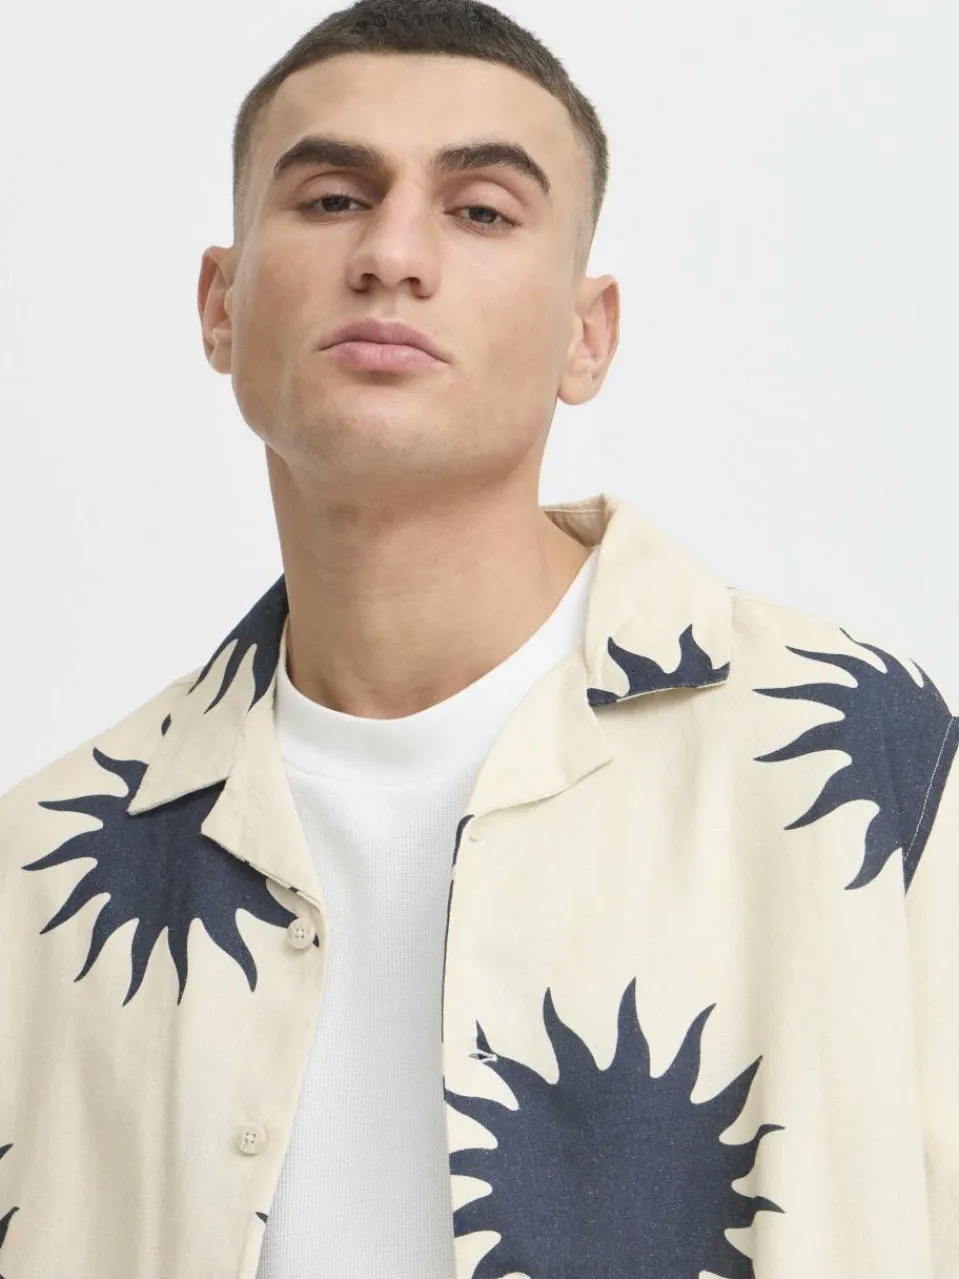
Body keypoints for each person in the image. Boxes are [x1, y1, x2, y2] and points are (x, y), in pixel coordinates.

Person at [1, 1, 956, 1276]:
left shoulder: (867, 765)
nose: (393, 255)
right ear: (220, 306)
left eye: (481, 211)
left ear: (585, 333)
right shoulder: (42, 878)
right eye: (332, 199)